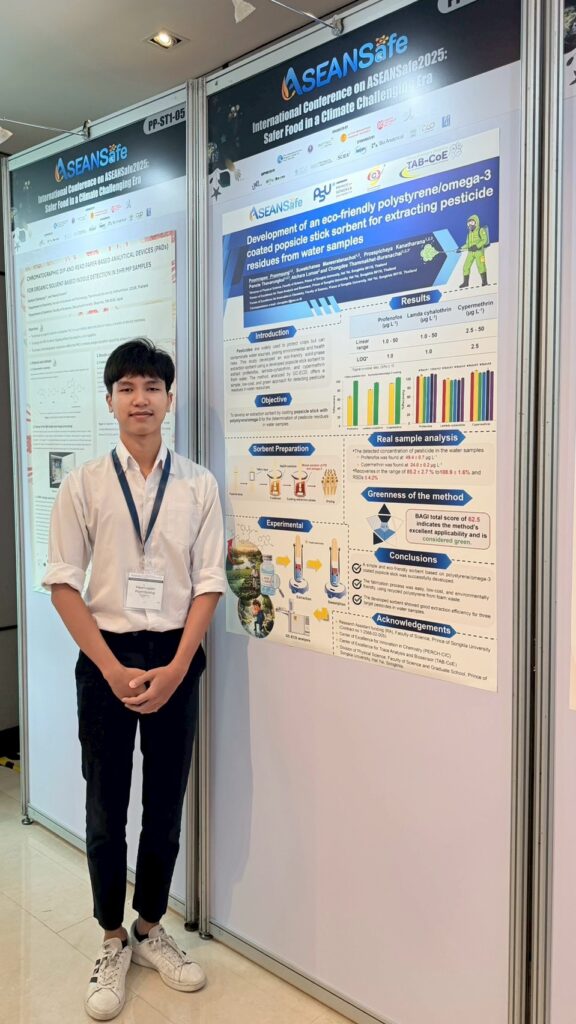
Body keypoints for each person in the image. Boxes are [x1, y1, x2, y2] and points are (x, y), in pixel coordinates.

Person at [43, 338, 226, 1021]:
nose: (139, 399)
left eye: (151, 386)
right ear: (110, 400)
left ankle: (150, 926)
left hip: (176, 654)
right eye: (126, 387)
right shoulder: (85, 484)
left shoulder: (198, 485)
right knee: (105, 804)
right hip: (107, 656)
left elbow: (209, 583)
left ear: (169, 399)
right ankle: (111, 937)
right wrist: (111, 666)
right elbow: (64, 584)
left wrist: (177, 667)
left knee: (166, 803)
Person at [459, 213, 490, 287]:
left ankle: (484, 282)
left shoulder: (481, 230)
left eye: (472, 222)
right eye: (469, 223)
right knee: (466, 266)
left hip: (479, 252)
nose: (470, 225)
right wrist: (461, 249)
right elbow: (467, 244)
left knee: (481, 266)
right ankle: (465, 283)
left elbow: (484, 240)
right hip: (470, 252)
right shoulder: (469, 234)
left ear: (476, 222)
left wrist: (477, 246)